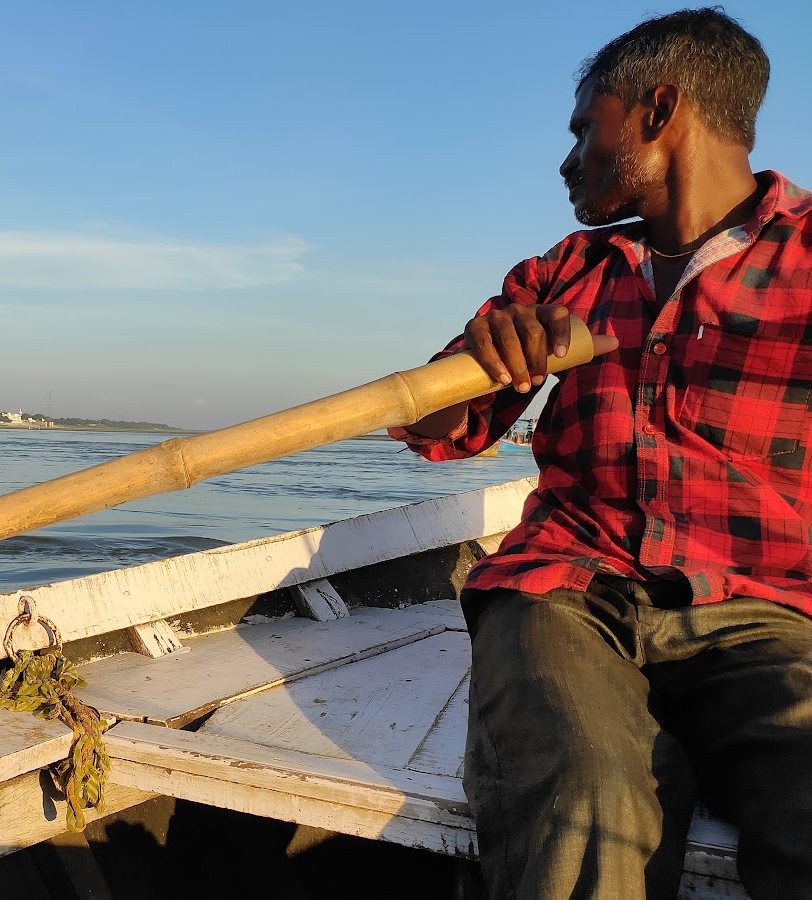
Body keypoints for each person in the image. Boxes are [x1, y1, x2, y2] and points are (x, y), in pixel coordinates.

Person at [390, 10, 812, 899]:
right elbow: (440, 431)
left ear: (658, 110)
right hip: (564, 593)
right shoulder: (562, 274)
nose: (568, 156)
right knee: (589, 793)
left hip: (768, 611)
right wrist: (484, 356)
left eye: (586, 126)